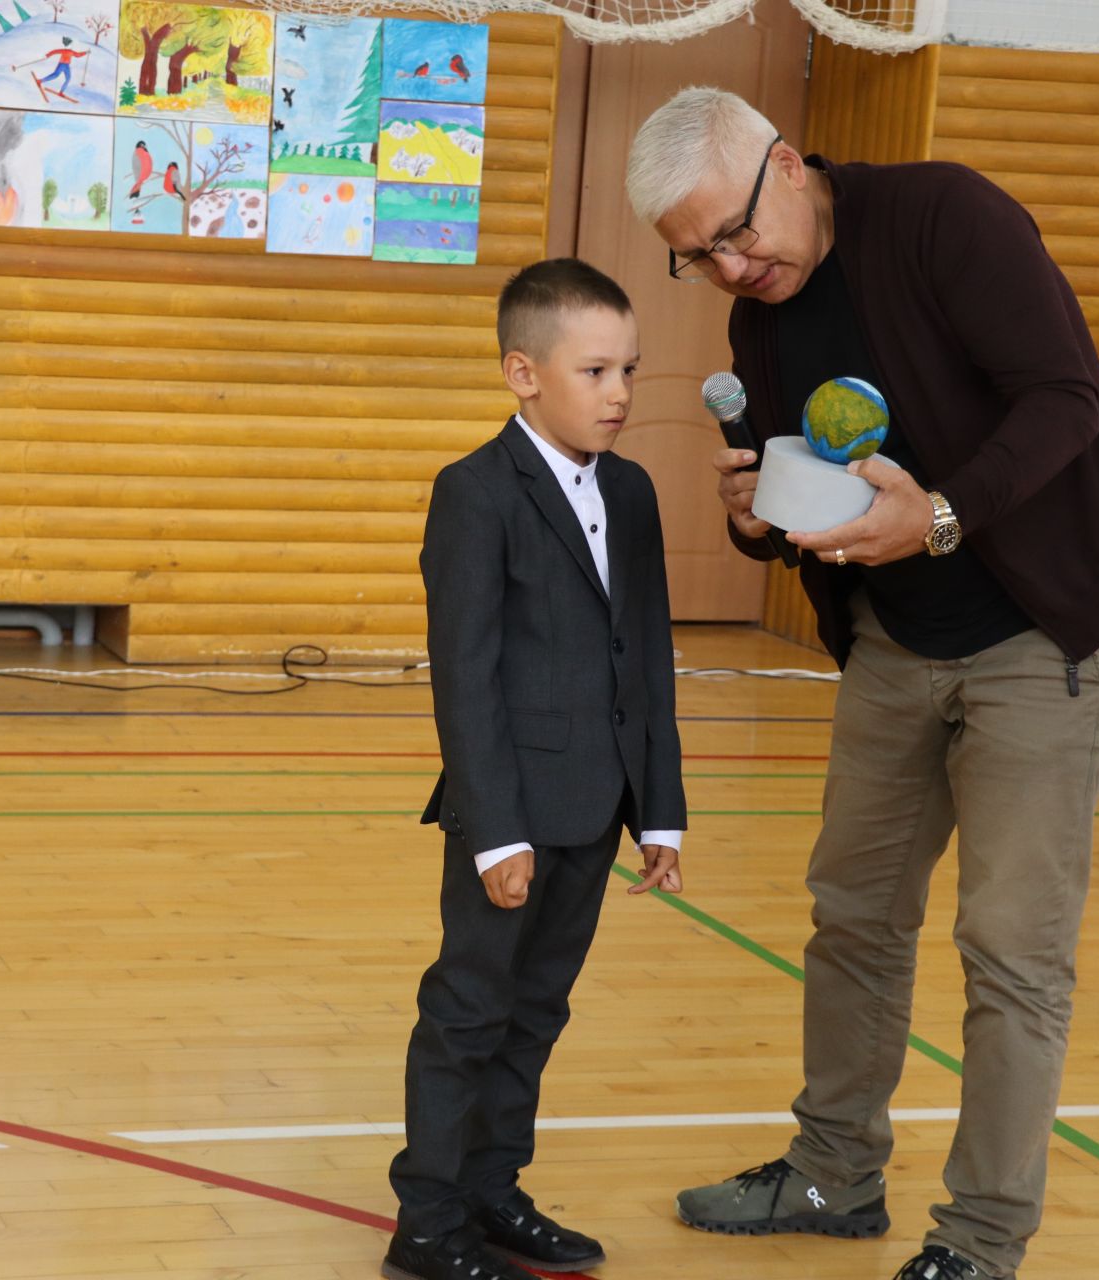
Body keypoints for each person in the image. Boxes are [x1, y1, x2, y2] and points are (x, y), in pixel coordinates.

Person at [623, 87, 1099, 1280]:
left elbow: (1069, 400)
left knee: (1012, 949)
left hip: (1048, 630)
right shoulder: (758, 321)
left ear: (785, 159)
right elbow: (816, 502)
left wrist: (945, 514)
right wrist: (760, 518)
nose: (731, 264)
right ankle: (833, 1171)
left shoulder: (943, 219)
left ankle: (980, 1238)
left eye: (736, 229)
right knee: (854, 917)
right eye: (697, 255)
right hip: (896, 642)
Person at [384, 258, 688, 1280]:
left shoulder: (636, 493)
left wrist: (662, 813)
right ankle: (426, 1221)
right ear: (523, 373)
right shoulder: (474, 493)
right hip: (508, 814)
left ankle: (491, 1187)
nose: (619, 393)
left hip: (595, 808)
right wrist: (497, 829)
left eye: (630, 372)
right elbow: (464, 675)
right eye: (596, 370)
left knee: (538, 1009)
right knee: (469, 1009)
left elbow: (645, 658)